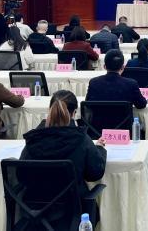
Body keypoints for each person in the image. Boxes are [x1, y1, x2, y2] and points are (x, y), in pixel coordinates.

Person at [20, 91, 106, 225]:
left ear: (50, 111)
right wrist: (99, 148)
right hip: (73, 211)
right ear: (74, 113)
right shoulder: (81, 139)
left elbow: (21, 175)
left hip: (33, 211)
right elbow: (95, 173)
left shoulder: (34, 138)